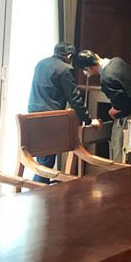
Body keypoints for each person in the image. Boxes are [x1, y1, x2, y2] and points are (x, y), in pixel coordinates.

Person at [27, 42, 101, 182]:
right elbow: (74, 98)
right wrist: (89, 120)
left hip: (32, 116)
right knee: (46, 164)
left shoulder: (41, 63)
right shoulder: (65, 69)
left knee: (42, 160)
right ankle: (38, 191)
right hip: (50, 119)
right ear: (69, 56)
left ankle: (40, 189)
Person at [75, 50, 131, 163]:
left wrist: (111, 112)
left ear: (88, 68)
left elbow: (121, 104)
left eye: (85, 70)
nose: (85, 74)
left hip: (129, 119)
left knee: (121, 160)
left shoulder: (106, 78)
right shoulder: (118, 61)